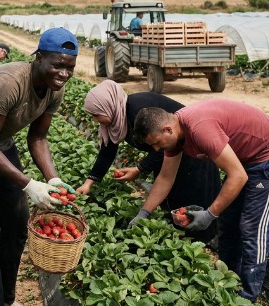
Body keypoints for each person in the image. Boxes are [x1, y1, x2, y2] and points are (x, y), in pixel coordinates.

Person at [0, 27, 79, 306]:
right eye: (58, 65)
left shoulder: (55, 89)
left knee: (17, 225)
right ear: (39, 58)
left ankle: (6, 298)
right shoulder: (10, 81)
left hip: (0, 141)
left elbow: (38, 137)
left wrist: (52, 179)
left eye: (70, 68)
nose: (64, 74)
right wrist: (29, 184)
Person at [131, 100, 269, 300]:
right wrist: (144, 212)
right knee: (228, 222)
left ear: (168, 129)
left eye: (156, 143)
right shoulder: (175, 136)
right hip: (242, 159)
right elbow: (165, 177)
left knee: (253, 227)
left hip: (268, 155)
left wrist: (210, 213)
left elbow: (238, 176)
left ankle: (248, 296)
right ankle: (228, 280)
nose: (155, 149)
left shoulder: (200, 129)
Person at [76, 81, 221, 242]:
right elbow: (108, 151)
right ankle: (176, 238)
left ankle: (200, 243)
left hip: (193, 155)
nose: (95, 120)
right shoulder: (115, 120)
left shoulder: (137, 111)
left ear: (107, 105)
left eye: (96, 114)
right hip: (169, 156)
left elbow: (160, 147)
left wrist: (139, 168)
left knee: (192, 199)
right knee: (169, 199)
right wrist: (89, 182)